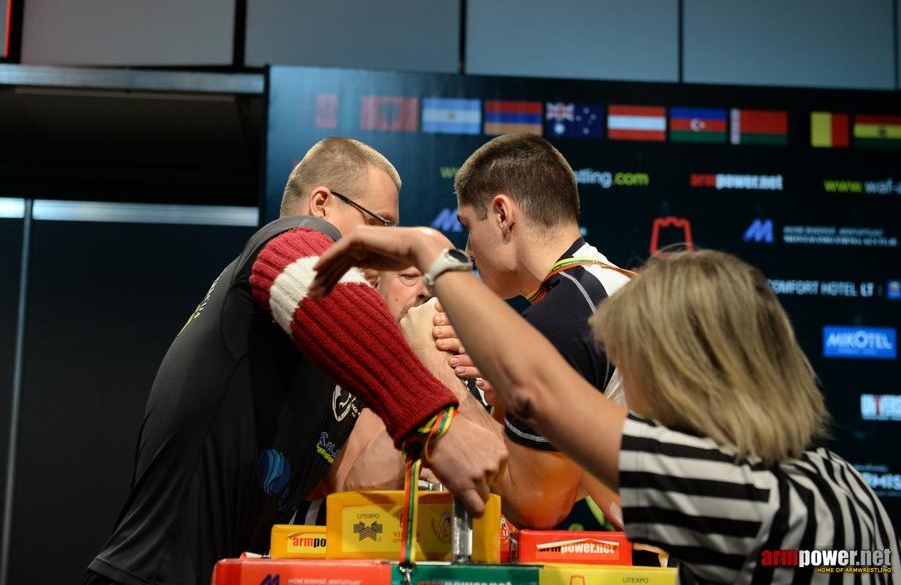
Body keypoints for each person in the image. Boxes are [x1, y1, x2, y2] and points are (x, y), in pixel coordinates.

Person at [310, 231, 900, 583]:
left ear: (690, 380)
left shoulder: (741, 500)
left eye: (635, 370)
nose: (630, 399)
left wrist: (432, 255)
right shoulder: (839, 481)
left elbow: (538, 394)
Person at [84, 138, 506, 585]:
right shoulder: (287, 240)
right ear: (321, 204)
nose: (385, 252)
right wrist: (433, 420)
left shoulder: (324, 360)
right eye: (379, 223)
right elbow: (305, 274)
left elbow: (353, 486)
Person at [434, 133, 633, 528]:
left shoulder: (562, 318)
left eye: (468, 225)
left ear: (503, 214)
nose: (469, 250)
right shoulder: (603, 285)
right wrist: (509, 390)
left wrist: (439, 376)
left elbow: (537, 505)